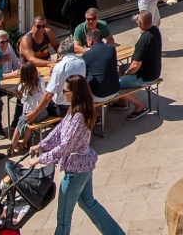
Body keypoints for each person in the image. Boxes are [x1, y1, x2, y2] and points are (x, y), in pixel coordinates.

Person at [25, 75, 125, 235]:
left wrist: (40, 159)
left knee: (63, 218)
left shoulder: (78, 116)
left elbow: (65, 146)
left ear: (74, 92)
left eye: (65, 90)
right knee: (89, 203)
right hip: (83, 167)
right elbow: (59, 132)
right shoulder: (76, 110)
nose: (62, 93)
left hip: (75, 173)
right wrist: (41, 145)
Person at [29, 39, 85, 128]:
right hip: (79, 103)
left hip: (63, 108)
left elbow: (49, 94)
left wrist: (35, 113)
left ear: (59, 52)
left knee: (41, 104)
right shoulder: (81, 61)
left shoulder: (59, 67)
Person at [9, 61, 44, 156]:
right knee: (27, 124)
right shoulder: (41, 81)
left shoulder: (22, 86)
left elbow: (22, 101)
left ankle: (12, 148)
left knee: (20, 124)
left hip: (30, 113)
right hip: (42, 112)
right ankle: (24, 144)